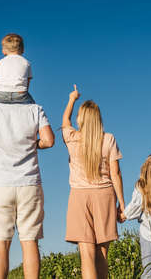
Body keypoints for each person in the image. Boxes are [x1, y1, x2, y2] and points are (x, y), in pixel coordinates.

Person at [0, 101, 54, 279]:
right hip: (29, 183)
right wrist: (34, 144)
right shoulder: (36, 109)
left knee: (0, 245)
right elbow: (49, 140)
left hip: (0, 184)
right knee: (30, 242)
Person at [61, 84, 125, 279]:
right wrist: (121, 204)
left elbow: (65, 121)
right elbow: (116, 173)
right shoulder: (109, 139)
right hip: (105, 196)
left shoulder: (72, 138)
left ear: (80, 119)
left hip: (79, 198)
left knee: (86, 254)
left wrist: (72, 99)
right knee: (102, 253)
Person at [0, 33, 35, 105]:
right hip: (20, 94)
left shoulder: (1, 62)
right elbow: (27, 82)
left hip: (1, 93)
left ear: (4, 50)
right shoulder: (26, 62)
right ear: (22, 49)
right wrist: (22, 91)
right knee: (33, 106)